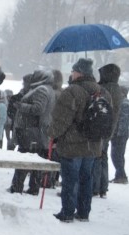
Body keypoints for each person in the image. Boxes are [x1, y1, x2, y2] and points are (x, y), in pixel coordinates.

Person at [48, 58, 112, 223]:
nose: (72, 74)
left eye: (74, 71)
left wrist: (52, 134)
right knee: (86, 179)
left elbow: (61, 120)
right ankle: (83, 212)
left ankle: (67, 212)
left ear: (79, 73)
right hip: (93, 144)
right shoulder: (103, 92)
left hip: (72, 144)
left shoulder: (71, 91)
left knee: (70, 179)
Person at [8, 70, 55, 195]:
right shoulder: (48, 89)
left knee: (24, 158)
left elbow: (38, 109)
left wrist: (21, 106)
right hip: (38, 131)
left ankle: (17, 186)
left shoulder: (41, 90)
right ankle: (33, 187)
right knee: (36, 160)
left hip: (32, 131)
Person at [92, 63, 125, 198]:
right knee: (103, 156)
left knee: (97, 157)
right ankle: (102, 187)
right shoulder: (116, 88)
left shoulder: (106, 88)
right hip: (110, 127)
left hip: (102, 127)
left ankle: (95, 186)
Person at [111, 87, 129, 184]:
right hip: (119, 134)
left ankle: (121, 176)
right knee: (117, 155)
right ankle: (119, 175)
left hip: (120, 135)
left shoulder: (124, 103)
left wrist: (118, 134)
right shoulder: (122, 102)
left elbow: (123, 121)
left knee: (117, 155)